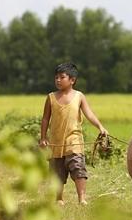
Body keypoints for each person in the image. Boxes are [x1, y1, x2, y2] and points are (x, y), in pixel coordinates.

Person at [39, 63, 108, 205]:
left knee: (78, 168)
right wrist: (43, 137)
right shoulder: (51, 97)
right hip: (56, 141)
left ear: (72, 80)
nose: (58, 80)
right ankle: (59, 198)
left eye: (62, 77)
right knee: (57, 172)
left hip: (74, 139)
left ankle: (82, 198)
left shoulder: (79, 96)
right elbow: (45, 118)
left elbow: (89, 114)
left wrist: (100, 127)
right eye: (56, 77)